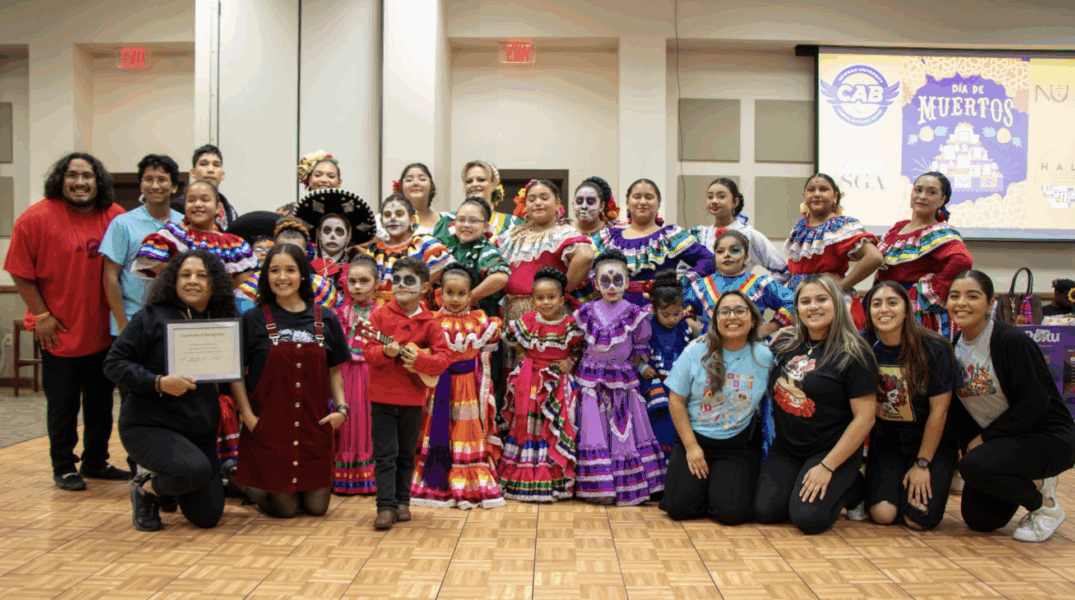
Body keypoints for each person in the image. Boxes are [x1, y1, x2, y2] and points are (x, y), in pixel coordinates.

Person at [5, 152, 129, 491]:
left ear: (98, 180)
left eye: (87, 176)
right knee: (62, 404)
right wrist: (41, 316)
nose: (80, 182)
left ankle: (95, 461)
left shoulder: (115, 217)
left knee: (102, 402)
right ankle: (63, 466)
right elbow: (20, 273)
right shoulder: (35, 219)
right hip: (57, 332)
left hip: (105, 332)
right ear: (61, 179)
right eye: (72, 175)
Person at [104, 250, 235, 531]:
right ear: (173, 280)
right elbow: (113, 364)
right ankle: (146, 489)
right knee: (192, 470)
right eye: (185, 275)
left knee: (207, 517)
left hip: (198, 431)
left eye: (202, 275)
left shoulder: (222, 321)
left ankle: (171, 484)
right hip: (149, 426)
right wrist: (158, 382)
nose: (192, 281)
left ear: (215, 283)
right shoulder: (150, 317)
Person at [946, 270, 1075, 542]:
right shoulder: (955, 346)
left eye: (972, 296)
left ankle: (1046, 507)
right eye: (954, 296)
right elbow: (961, 412)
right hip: (1002, 441)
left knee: (973, 466)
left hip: (1046, 436)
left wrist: (984, 439)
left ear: (990, 304)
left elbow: (1035, 404)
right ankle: (1035, 482)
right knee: (980, 520)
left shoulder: (1010, 341)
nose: (961, 303)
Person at [230, 244, 351, 518]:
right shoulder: (252, 319)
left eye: (290, 270)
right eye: (274, 270)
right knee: (286, 511)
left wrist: (342, 409)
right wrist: (247, 416)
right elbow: (237, 372)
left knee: (317, 509)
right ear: (265, 276)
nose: (282, 277)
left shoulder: (326, 318)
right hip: (269, 427)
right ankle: (240, 482)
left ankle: (250, 481)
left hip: (313, 425)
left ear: (303, 275)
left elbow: (335, 371)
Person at [754, 274, 878, 535]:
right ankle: (804, 476)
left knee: (808, 519)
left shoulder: (855, 352)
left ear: (836, 303)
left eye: (821, 299)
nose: (813, 307)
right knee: (766, 512)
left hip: (830, 450)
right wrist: (706, 340)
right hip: (788, 448)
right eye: (805, 301)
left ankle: (853, 484)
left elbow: (865, 418)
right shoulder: (785, 343)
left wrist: (828, 466)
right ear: (796, 308)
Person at [659, 291, 773, 524]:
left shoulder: (765, 357)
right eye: (725, 312)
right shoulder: (695, 351)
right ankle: (705, 488)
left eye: (740, 310)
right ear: (715, 321)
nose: (732, 316)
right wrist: (691, 448)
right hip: (695, 438)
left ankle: (716, 489)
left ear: (753, 319)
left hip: (737, 443)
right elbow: (676, 400)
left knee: (731, 514)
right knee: (677, 509)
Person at [861, 281, 961, 530]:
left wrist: (923, 464)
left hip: (931, 443)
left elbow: (940, 411)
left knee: (918, 520)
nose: (884, 309)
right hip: (887, 442)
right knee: (883, 515)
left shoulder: (935, 347)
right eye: (876, 304)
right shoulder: (862, 345)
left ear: (907, 309)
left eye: (892, 302)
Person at [362, 257, 452, 529]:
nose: (400, 285)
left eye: (409, 281)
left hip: (414, 398)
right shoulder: (378, 316)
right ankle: (385, 507)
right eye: (397, 279)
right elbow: (368, 352)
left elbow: (444, 357)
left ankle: (403, 502)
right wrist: (384, 352)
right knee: (385, 454)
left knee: (406, 453)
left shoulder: (430, 322)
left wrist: (419, 361)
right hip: (382, 397)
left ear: (425, 287)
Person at [575, 250, 666, 506]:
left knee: (623, 431)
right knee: (595, 428)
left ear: (627, 282)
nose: (612, 286)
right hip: (591, 381)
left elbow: (639, 348)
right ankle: (598, 484)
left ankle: (626, 483)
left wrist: (627, 368)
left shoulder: (635, 314)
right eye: (605, 281)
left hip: (622, 380)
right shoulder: (587, 312)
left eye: (618, 281)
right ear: (595, 283)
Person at [410, 264, 505, 509]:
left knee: (465, 427)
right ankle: (435, 477)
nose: (455, 299)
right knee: (434, 427)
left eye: (462, 293)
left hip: (467, 387)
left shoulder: (480, 321)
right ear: (440, 292)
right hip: (436, 386)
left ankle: (466, 479)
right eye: (450, 292)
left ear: (470, 294)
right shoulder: (431, 320)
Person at [497, 267, 583, 502]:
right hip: (531, 382)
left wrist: (569, 360)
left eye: (551, 297)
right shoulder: (527, 322)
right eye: (540, 298)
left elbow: (579, 348)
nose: (546, 302)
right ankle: (526, 478)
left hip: (558, 384)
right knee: (528, 427)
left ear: (562, 299)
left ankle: (555, 478)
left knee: (555, 426)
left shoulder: (570, 325)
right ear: (533, 300)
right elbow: (510, 336)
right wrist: (522, 353)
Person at [875, 172, 973, 336]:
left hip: (915, 310)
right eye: (918, 190)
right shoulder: (897, 229)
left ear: (943, 200)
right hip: (887, 306)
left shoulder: (940, 232)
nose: (922, 196)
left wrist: (928, 290)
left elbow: (963, 261)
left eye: (931, 192)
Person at [589, 179, 714, 307]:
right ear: (627, 201)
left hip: (660, 311)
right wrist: (599, 284)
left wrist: (680, 284)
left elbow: (708, 259)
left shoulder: (670, 236)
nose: (642, 202)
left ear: (658, 202)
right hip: (615, 310)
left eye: (649, 197)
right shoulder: (608, 237)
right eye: (637, 197)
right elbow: (589, 268)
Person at [784, 174, 883, 328]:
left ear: (835, 196)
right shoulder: (799, 227)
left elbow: (874, 257)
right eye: (811, 190)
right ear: (804, 196)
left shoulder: (840, 226)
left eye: (823, 189)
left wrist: (841, 286)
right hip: (800, 302)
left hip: (829, 303)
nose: (817, 194)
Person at [103, 154, 184, 337]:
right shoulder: (122, 224)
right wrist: (123, 324)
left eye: (162, 180)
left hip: (175, 323)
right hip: (132, 322)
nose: (155, 186)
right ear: (141, 185)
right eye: (148, 179)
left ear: (174, 187)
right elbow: (110, 277)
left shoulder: (184, 225)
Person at [497, 179, 594, 322]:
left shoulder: (563, 233)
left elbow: (586, 256)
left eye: (544, 198)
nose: (537, 203)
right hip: (511, 311)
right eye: (531, 199)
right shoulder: (513, 234)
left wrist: (559, 292)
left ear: (557, 203)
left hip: (548, 314)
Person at [133, 180, 257, 287]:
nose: (197, 204)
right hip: (177, 308)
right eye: (191, 200)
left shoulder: (235, 244)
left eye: (205, 199)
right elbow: (150, 261)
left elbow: (245, 281)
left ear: (217, 208)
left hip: (222, 310)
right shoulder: (172, 234)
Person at [332, 255, 384, 495]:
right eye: (352, 281)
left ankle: (369, 476)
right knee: (345, 420)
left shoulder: (383, 314)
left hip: (371, 374)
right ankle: (344, 475)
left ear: (377, 283)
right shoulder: (338, 313)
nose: (358, 287)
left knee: (368, 421)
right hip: (342, 373)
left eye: (364, 281)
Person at [684, 230, 795, 337]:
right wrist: (693, 325)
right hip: (711, 347)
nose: (726, 255)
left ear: (746, 258)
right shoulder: (701, 285)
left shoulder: (761, 284)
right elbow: (681, 304)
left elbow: (793, 303)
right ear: (715, 258)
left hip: (752, 348)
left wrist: (768, 328)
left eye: (734, 250)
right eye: (720, 251)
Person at [637, 271, 694, 461]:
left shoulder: (684, 327)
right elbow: (630, 350)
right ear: (653, 309)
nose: (671, 319)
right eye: (665, 314)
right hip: (655, 384)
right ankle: (657, 465)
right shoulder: (645, 326)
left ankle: (676, 462)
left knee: (679, 423)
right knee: (658, 423)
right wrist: (641, 367)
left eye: (676, 314)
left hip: (680, 385)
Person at [689, 178, 788, 280]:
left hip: (738, 294)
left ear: (735, 202)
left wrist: (759, 292)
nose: (714, 201)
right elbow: (684, 270)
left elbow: (782, 270)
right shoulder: (699, 234)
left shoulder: (748, 234)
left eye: (721, 196)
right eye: (710, 197)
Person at [430, 196, 509, 318]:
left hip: (475, 319)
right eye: (461, 220)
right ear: (454, 223)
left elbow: (500, 277)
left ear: (485, 226)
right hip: (444, 316)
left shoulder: (483, 248)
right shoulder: (447, 247)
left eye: (473, 221)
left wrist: (468, 298)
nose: (466, 225)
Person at [237, 218, 340, 310]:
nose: (288, 255)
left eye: (295, 251)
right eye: (283, 248)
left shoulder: (320, 286)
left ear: (305, 254)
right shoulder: (255, 283)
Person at [368, 195, 453, 302]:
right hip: (380, 312)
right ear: (381, 222)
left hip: (415, 309)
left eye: (399, 214)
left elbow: (444, 266)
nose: (393, 218)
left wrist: (415, 289)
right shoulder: (374, 251)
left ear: (411, 220)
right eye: (387, 215)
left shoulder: (423, 243)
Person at [170, 145, 238, 230]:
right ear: (193, 173)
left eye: (216, 165)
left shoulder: (230, 212)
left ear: (222, 175)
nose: (210, 169)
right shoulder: (176, 207)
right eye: (203, 164)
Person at [460, 159, 522, 238]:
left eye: (481, 179)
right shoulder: (452, 221)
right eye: (469, 181)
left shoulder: (513, 223)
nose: (474, 184)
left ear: (494, 184)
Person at [274, 149, 344, 218]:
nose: (324, 180)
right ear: (310, 180)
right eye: (318, 175)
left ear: (339, 183)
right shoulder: (290, 210)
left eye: (331, 176)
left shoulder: (347, 213)